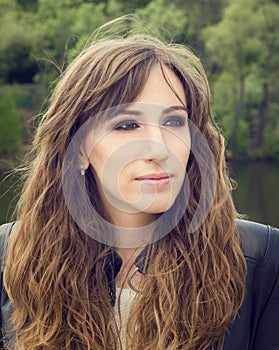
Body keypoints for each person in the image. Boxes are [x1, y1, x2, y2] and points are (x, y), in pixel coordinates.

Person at [0, 19, 279, 350]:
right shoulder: (9, 256)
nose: (159, 147)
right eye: (127, 124)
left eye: (174, 121)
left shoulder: (263, 259)